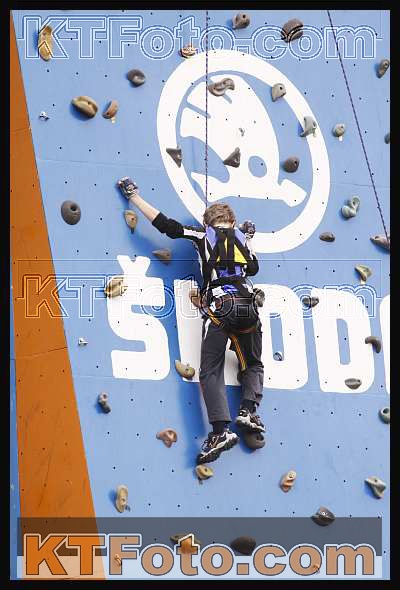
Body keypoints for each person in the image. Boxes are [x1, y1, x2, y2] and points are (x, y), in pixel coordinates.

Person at [117, 177, 265, 464]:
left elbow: (167, 226)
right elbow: (254, 267)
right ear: (232, 221)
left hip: (221, 306)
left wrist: (134, 197)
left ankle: (220, 431)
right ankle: (248, 410)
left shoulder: (201, 234)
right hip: (249, 308)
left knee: (211, 370)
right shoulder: (243, 239)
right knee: (253, 363)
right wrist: (249, 238)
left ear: (208, 223)